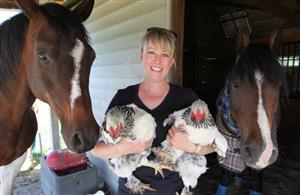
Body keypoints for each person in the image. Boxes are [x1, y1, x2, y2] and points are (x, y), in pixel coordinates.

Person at [90, 27, 216, 195]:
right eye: (151, 52)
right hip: (130, 190)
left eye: (164, 55)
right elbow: (96, 148)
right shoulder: (124, 98)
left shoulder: (187, 98)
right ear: (141, 56)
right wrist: (123, 147)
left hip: (175, 190)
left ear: (172, 61)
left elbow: (214, 145)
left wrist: (192, 147)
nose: (157, 61)